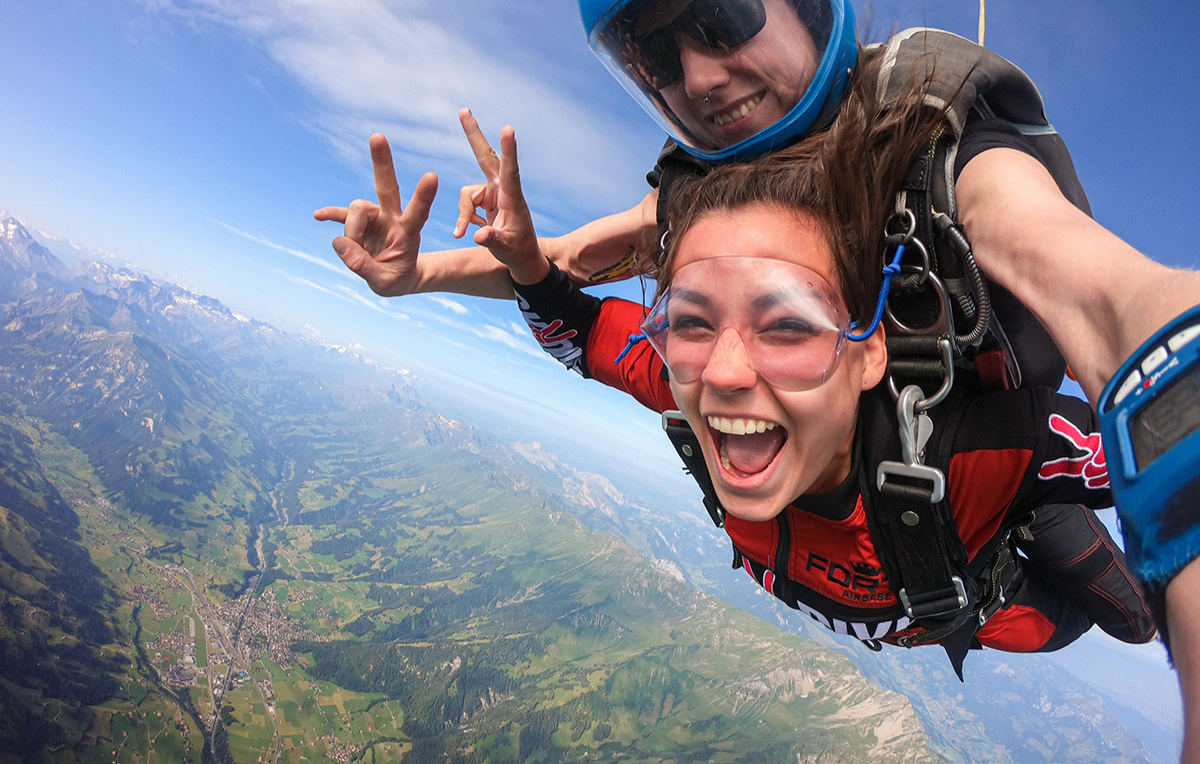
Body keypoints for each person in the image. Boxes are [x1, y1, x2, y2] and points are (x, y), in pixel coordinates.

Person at [447, 58, 1154, 678]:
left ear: (868, 348)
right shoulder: (689, 380)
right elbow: (580, 330)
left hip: (1012, 597)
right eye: (691, 319)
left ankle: (1035, 514)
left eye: (787, 326)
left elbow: (1160, 435)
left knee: (1135, 621)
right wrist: (527, 265)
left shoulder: (972, 449)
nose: (726, 371)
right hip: (950, 602)